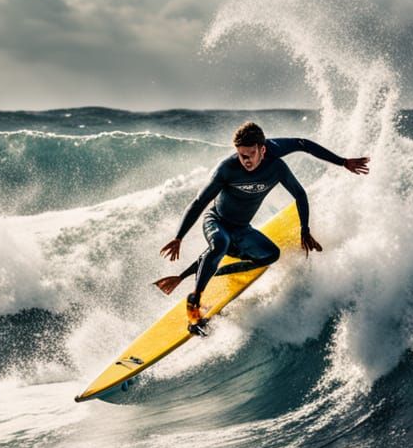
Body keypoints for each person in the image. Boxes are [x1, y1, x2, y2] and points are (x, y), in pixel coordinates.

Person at [158, 121, 369, 332]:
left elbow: (300, 183)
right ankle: (193, 308)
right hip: (217, 221)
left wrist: (305, 228)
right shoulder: (227, 169)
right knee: (220, 243)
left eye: (250, 154)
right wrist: (179, 237)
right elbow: (199, 202)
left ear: (263, 149)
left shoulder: (276, 165)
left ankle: (221, 268)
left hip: (242, 228)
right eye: (241, 155)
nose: (245, 161)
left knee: (270, 255)